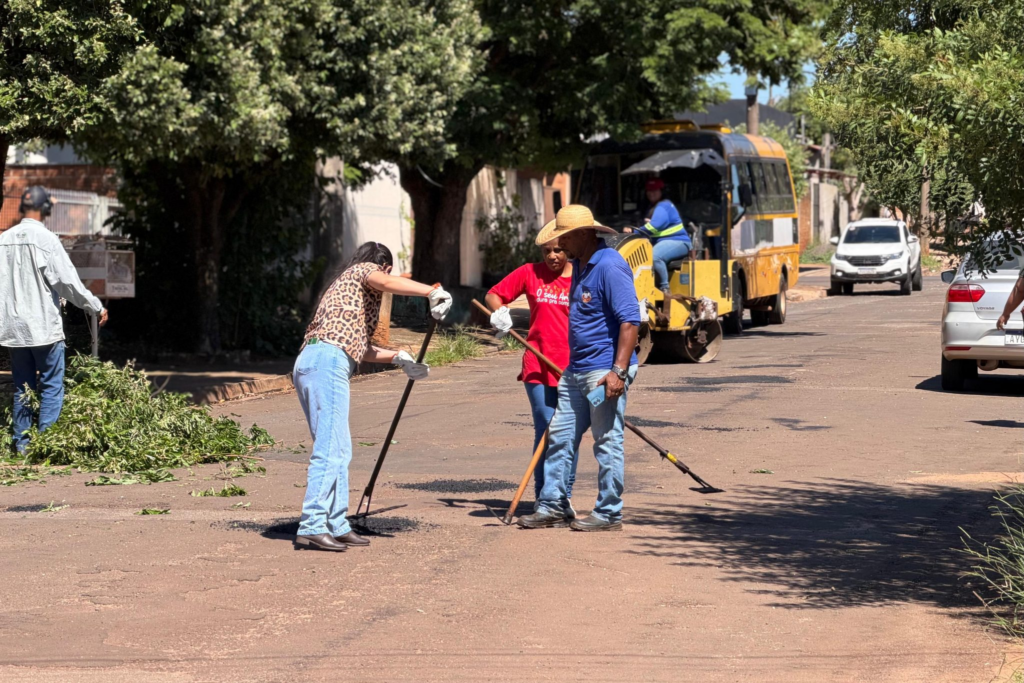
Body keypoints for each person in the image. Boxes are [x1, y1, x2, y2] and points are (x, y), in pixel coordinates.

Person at [293, 242, 452, 552]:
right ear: (385, 268)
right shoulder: (365, 271)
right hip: (328, 361)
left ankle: (336, 524)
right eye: (388, 274)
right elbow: (384, 281)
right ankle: (312, 524)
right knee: (330, 449)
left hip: (315, 359)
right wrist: (430, 292)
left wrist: (398, 357)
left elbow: (359, 347)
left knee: (339, 448)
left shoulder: (344, 291)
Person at [517, 205, 640, 532]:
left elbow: (630, 322)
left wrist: (619, 372)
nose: (561, 246)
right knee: (559, 435)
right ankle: (553, 504)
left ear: (585, 233)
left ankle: (609, 513)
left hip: (604, 373)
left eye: (565, 238)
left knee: (607, 439)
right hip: (575, 371)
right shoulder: (580, 266)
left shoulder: (610, 266)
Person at [0, 186, 108, 453]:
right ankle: (46, 445)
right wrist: (94, 305)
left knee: (22, 387)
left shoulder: (3, 240)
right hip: (43, 327)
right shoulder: (46, 239)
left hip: (13, 329)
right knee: (50, 385)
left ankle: (22, 445)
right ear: (45, 209)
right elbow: (67, 283)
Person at [485, 239, 575, 506]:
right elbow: (493, 294)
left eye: (558, 250)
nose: (552, 256)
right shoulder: (529, 272)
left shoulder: (583, 276)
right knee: (546, 429)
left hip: (572, 366)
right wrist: (499, 311)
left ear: (569, 249)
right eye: (546, 251)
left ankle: (564, 497)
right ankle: (543, 497)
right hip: (537, 361)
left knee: (568, 433)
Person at [627, 178, 692, 294]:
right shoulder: (651, 208)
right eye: (649, 190)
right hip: (665, 242)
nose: (651, 193)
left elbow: (654, 226)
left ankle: (664, 288)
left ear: (662, 191)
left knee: (654, 257)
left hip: (678, 241)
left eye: (655, 190)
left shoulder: (663, 205)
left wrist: (634, 231)